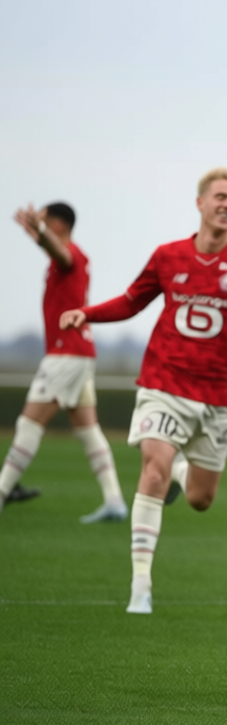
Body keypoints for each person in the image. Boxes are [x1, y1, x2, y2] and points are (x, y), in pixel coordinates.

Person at [60, 168, 227, 615]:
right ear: (200, 202)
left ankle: (181, 473)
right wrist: (85, 313)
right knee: (153, 468)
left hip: (222, 395)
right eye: (221, 196)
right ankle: (140, 585)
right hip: (164, 384)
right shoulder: (168, 256)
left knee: (202, 499)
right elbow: (132, 300)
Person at [2, 203, 127, 522]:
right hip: (79, 353)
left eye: (43, 219)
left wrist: (40, 230)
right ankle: (114, 501)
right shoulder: (62, 256)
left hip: (65, 354)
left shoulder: (72, 256)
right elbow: (52, 248)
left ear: (58, 224)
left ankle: (2, 491)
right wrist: (35, 231)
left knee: (29, 423)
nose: (39, 225)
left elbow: (60, 252)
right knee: (88, 430)